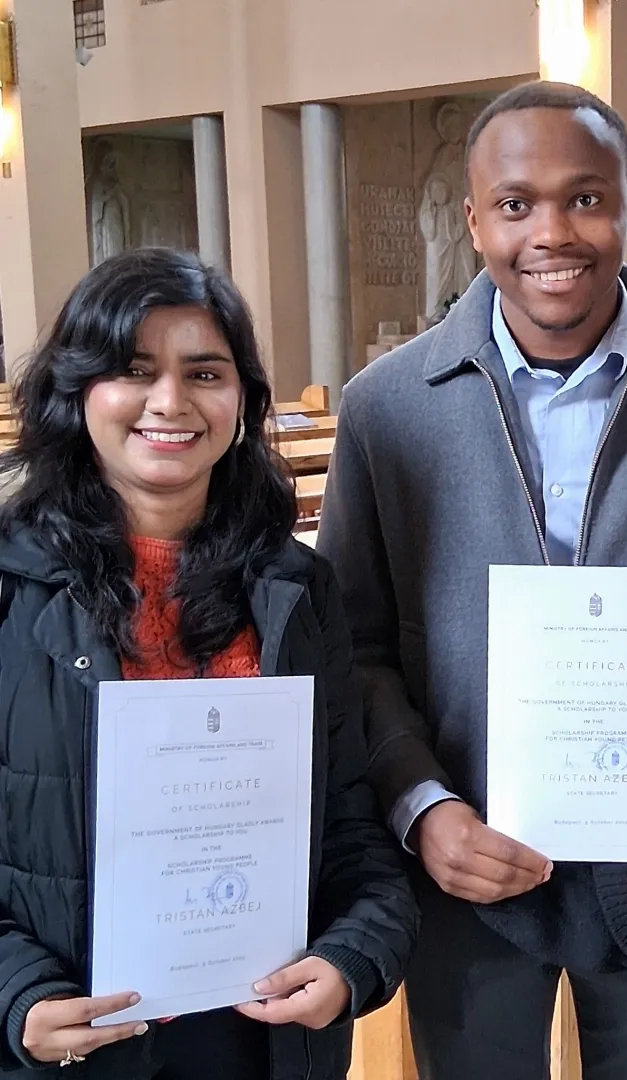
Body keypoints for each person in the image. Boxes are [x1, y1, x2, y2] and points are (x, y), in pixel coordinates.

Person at [318, 81, 627, 1080]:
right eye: (516, 204)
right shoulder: (387, 413)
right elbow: (353, 644)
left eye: (585, 198)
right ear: (473, 221)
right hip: (466, 865)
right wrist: (421, 803)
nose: (551, 231)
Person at [0, 249, 417, 1079]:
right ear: (79, 389)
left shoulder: (296, 593)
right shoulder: (11, 592)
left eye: (204, 372)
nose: (170, 402)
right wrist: (18, 998)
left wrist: (350, 961)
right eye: (132, 369)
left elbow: (349, 827)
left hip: (259, 1044)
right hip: (76, 1048)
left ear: (241, 399)